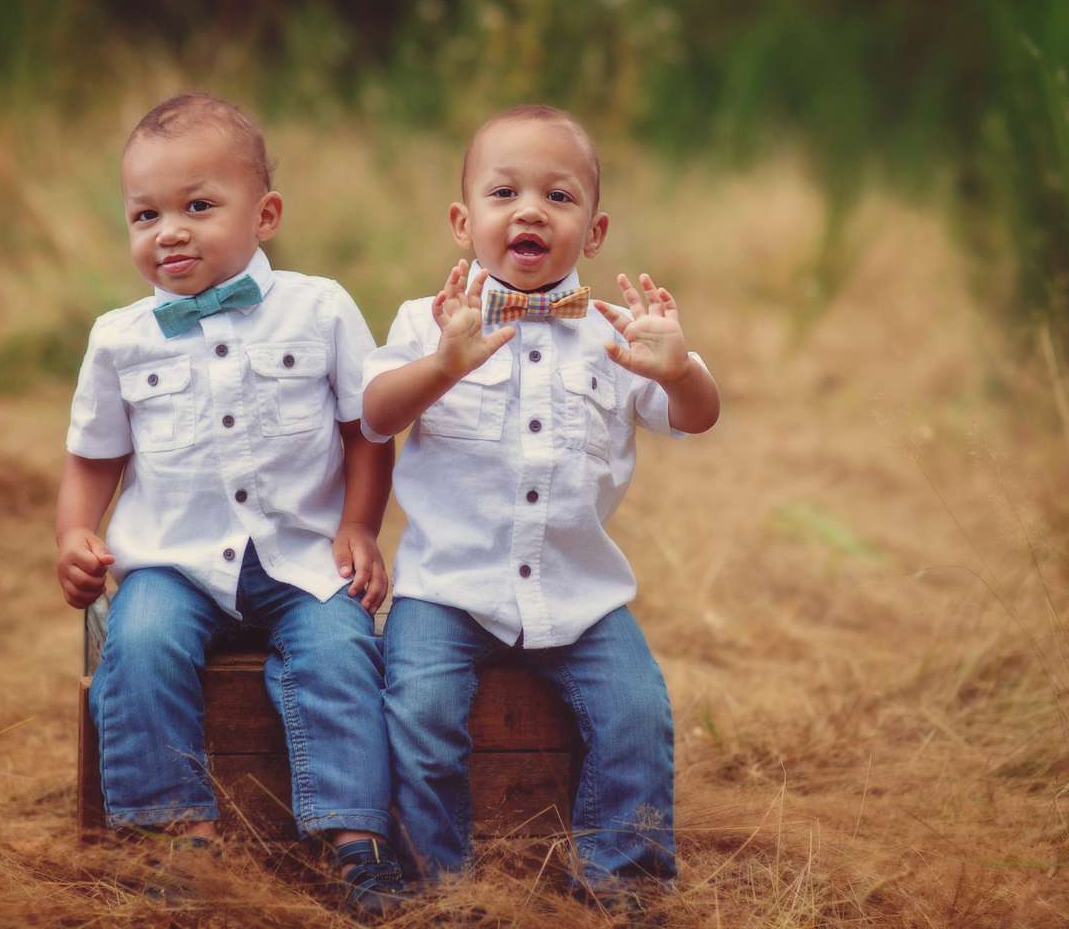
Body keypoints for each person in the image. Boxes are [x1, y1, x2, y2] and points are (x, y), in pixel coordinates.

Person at [54, 93, 404, 914]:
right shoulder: (120, 337)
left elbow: (367, 431)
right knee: (136, 643)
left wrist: (358, 525)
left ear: (266, 214)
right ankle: (179, 836)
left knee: (339, 648)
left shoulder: (320, 308)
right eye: (146, 214)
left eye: (199, 207)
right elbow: (91, 456)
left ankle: (356, 842)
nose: (169, 231)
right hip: (173, 561)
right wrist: (75, 531)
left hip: (300, 553)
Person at [362, 104, 720, 903]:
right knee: (419, 712)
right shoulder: (429, 321)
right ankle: (440, 887)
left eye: (559, 197)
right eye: (504, 193)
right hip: (446, 588)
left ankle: (621, 887)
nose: (530, 210)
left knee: (636, 713)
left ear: (593, 233)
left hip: (578, 592)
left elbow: (696, 417)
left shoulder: (620, 335)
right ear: (464, 221)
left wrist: (677, 370)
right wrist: (443, 366)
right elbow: (377, 415)